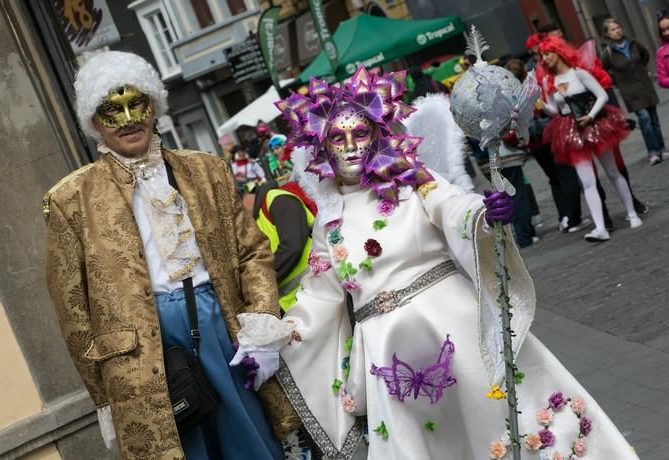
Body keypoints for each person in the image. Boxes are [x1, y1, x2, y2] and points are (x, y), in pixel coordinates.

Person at [259, 66, 639, 459]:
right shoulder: (329, 220)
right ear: (322, 147)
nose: (351, 145)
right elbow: (320, 296)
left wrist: (484, 215)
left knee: (502, 422)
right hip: (391, 361)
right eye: (338, 138)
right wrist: (276, 337)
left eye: (361, 133)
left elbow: (453, 207)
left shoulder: (411, 181)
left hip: (457, 330)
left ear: (378, 133)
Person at [44, 50, 297, 459]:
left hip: (220, 323)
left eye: (136, 104)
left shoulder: (206, 170)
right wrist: (104, 397)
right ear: (94, 122)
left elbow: (252, 251)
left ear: (155, 106)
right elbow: (73, 310)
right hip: (140, 354)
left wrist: (264, 321)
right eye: (112, 110)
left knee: (249, 440)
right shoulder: (70, 200)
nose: (128, 120)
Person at [539, 37, 643, 242]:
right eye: (542, 55)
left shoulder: (579, 73)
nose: (544, 58)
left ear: (558, 52)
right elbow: (555, 111)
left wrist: (591, 116)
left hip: (594, 126)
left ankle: (632, 214)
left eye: (547, 53)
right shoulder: (549, 82)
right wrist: (540, 102)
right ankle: (600, 228)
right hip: (571, 130)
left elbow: (602, 95)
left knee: (612, 171)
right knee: (587, 181)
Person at [507, 57, 592, 233]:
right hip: (550, 136)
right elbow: (549, 109)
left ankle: (564, 216)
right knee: (567, 175)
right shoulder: (534, 87)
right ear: (524, 71)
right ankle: (572, 217)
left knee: (554, 178)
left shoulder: (511, 96)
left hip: (534, 143)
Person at [253, 149, 318, 312]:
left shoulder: (276, 199)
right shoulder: (257, 218)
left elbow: (292, 246)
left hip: (320, 291)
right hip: (297, 305)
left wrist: (259, 282)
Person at [602, 18, 668, 165]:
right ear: (607, 35)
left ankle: (662, 148)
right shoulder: (608, 52)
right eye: (612, 29)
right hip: (630, 92)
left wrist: (642, 70)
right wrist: (616, 81)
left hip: (646, 87)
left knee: (654, 119)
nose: (617, 31)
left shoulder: (634, 44)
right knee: (644, 119)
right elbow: (603, 70)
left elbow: (645, 56)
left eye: (618, 27)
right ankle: (652, 152)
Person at [656, 9, 669, 89]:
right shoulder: (661, 53)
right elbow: (662, 80)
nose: (666, 33)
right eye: (663, 30)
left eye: (668, 28)